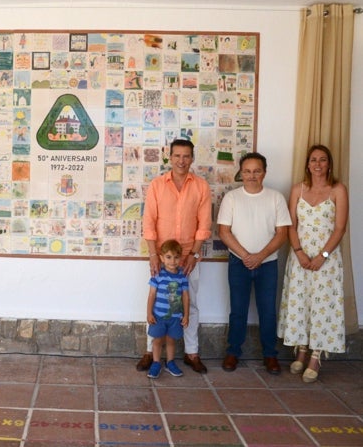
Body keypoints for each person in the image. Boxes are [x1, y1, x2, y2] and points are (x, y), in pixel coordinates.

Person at [138, 138, 212, 374]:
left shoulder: (201, 186)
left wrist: (194, 254)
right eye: (177, 156)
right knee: (156, 302)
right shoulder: (157, 185)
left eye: (186, 156)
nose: (182, 160)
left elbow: (204, 224)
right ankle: (151, 352)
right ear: (170, 157)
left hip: (189, 258)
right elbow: (149, 221)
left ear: (192, 158)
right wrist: (153, 254)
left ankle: (192, 353)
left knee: (191, 304)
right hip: (162, 258)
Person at [277, 145, 348, 383]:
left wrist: (322, 256)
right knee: (301, 302)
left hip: (326, 261)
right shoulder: (298, 189)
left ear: (329, 164)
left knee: (323, 306)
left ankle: (317, 355)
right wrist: (298, 252)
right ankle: (302, 350)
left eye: (323, 160)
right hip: (300, 258)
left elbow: (339, 228)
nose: (318, 164)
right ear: (307, 164)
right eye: (313, 160)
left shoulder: (338, 190)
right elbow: (291, 225)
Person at [217, 152, 292, 375]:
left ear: (264, 173)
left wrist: (260, 256)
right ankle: (233, 352)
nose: (252, 175)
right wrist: (246, 256)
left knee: (268, 311)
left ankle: (270, 355)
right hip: (238, 263)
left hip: (267, 264)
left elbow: (282, 233)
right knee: (237, 310)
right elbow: (224, 231)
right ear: (241, 173)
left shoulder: (275, 197)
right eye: (247, 171)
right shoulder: (232, 198)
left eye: (257, 171)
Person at [146, 239, 190, 378]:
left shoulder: (182, 276)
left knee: (171, 341)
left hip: (175, 317)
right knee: (157, 340)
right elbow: (152, 294)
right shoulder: (157, 274)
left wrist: (186, 315)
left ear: (180, 258)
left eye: (176, 257)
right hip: (158, 316)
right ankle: (156, 363)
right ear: (161, 258)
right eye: (169, 257)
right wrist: (149, 313)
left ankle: (170, 362)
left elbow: (185, 296)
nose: (173, 261)